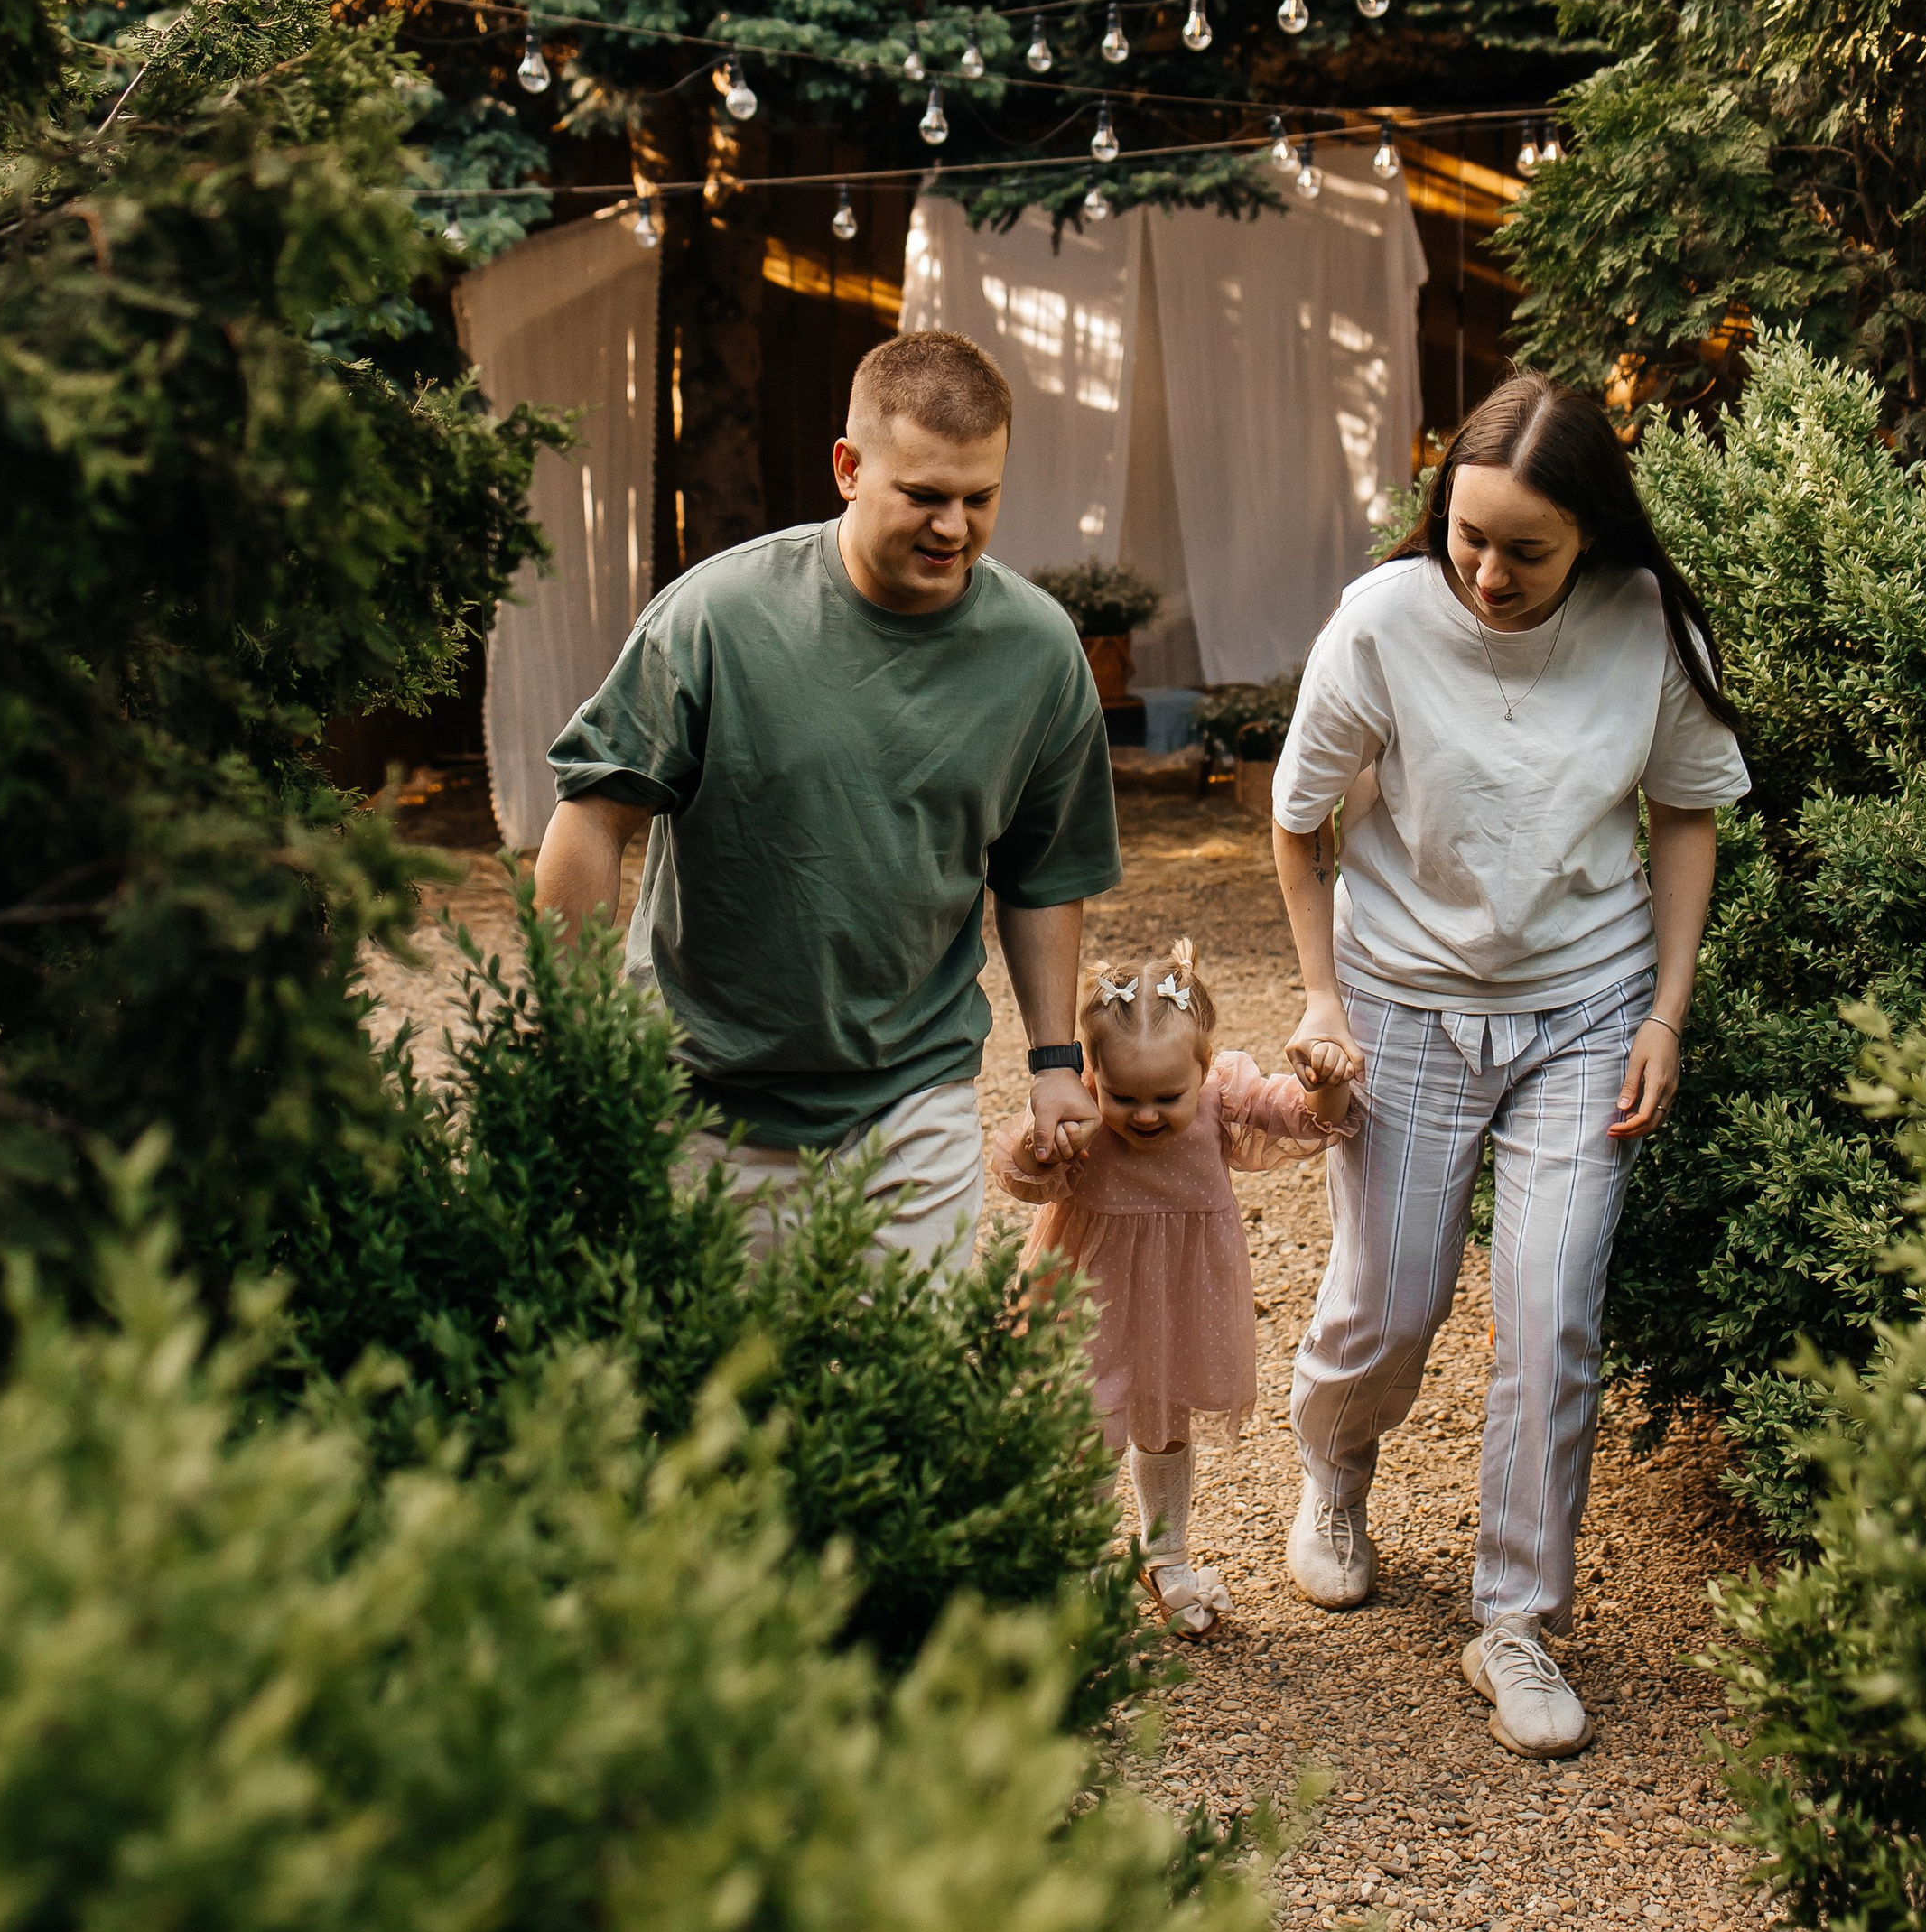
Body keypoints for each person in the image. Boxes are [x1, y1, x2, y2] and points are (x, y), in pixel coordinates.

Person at [1270, 372, 1751, 1759]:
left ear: (1591, 534)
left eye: (1524, 549)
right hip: (1405, 1005)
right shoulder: (1381, 622)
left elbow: (1684, 816)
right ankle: (1335, 1466)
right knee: (1394, 1299)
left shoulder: (1643, 625)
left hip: (1586, 1010)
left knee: (1550, 1313)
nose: (1485, 571)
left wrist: (1664, 1012)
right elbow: (1298, 826)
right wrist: (1319, 1000)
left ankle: (1516, 1624)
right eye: (1466, 536)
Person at [534, 327, 1121, 1263]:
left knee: (901, 1400)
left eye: (980, 498)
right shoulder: (717, 616)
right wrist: (571, 1037)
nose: (953, 527)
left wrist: (1055, 1063)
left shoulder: (1039, 649)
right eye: (923, 495)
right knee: (716, 1400)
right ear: (848, 468)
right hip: (700, 1101)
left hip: (911, 1097)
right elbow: (594, 813)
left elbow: (1043, 872)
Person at [993, 938, 1354, 1634]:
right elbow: (1025, 1179)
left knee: (1165, 1426)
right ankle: (1089, 1559)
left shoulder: (1223, 1093)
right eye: (1124, 1095)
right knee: (1088, 1427)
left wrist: (1325, 1075)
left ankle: (1166, 1556)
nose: (1147, 1114)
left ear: (1206, 1067)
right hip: (1089, 1294)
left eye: (1168, 1095)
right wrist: (1044, 1144)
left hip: (1182, 1297)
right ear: (1091, 1072)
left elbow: (1305, 1116)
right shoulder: (1084, 1115)